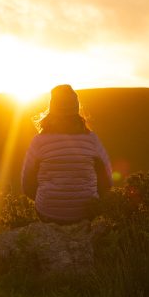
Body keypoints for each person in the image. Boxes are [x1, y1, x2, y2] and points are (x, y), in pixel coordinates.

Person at [21, 85, 113, 224]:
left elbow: (27, 184)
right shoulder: (91, 139)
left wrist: (50, 199)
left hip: (48, 214)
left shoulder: (39, 141)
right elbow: (107, 181)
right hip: (87, 214)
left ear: (52, 109)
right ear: (76, 109)